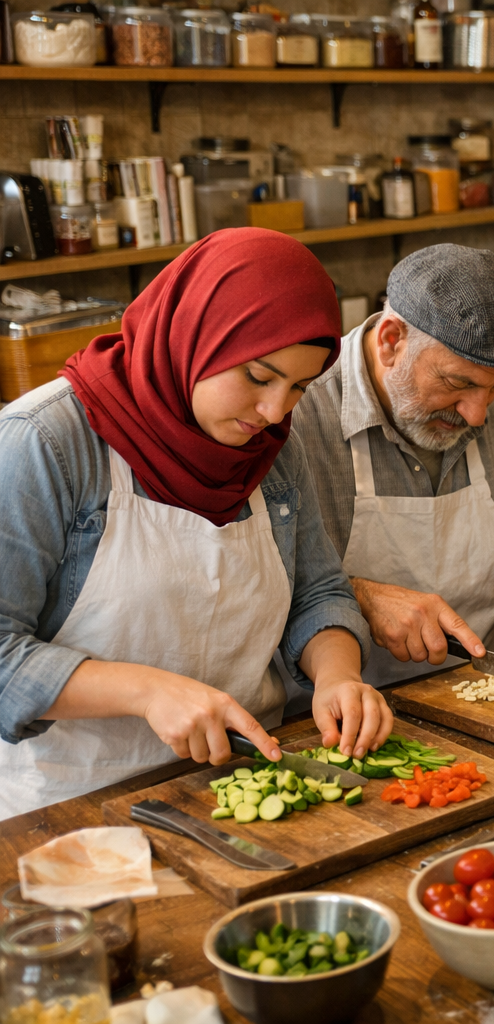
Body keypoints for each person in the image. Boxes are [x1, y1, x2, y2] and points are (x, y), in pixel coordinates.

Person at [0, 229, 390, 818]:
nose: (274, 411)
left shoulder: (272, 449)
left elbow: (317, 592)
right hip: (74, 805)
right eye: (259, 377)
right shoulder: (44, 443)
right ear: (194, 336)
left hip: (248, 781)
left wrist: (338, 674)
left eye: (298, 388)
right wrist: (148, 690)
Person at [290, 244, 494, 690]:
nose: (477, 415)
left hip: (483, 692)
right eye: (457, 383)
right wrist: (360, 596)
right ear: (392, 341)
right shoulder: (297, 408)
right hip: (335, 712)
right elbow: (258, 585)